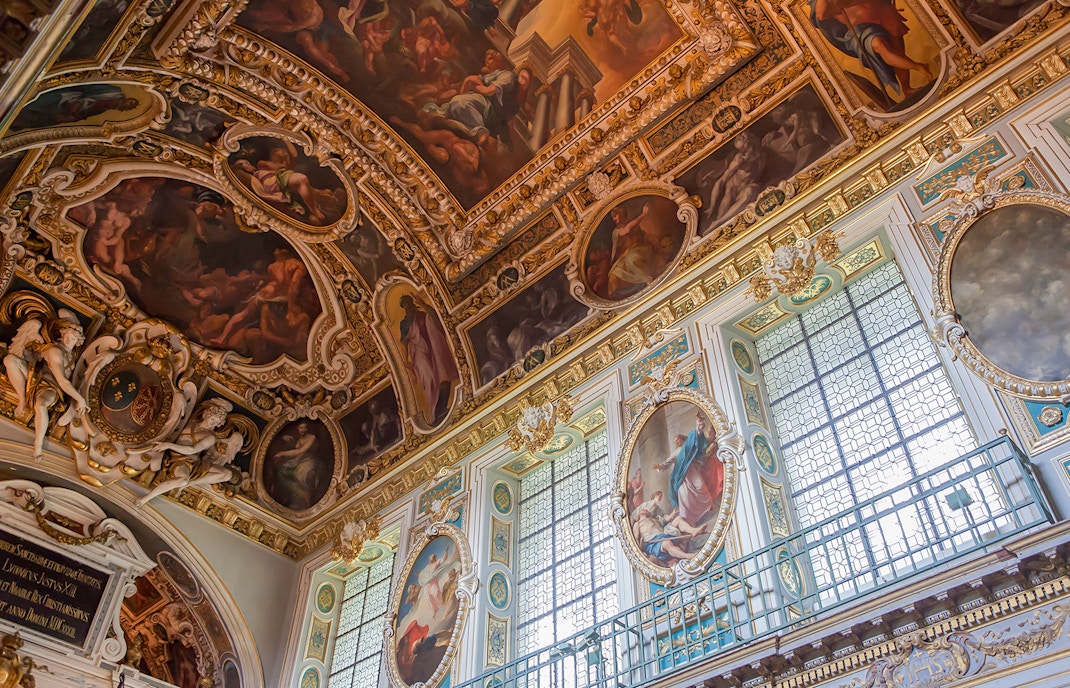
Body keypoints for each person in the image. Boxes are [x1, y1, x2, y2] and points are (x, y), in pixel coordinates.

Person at [3, 312, 88, 461]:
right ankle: (38, 441)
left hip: (52, 389)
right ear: (62, 335)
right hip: (43, 383)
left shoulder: (72, 356)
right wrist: (80, 399)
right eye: (68, 336)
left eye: (73, 338)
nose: (69, 340)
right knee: (10, 360)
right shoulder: (56, 352)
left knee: (41, 403)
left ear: (78, 341)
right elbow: (62, 381)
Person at [810, 0, 933, 102]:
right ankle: (918, 67)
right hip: (867, 21)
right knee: (885, 48)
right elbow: (821, 15)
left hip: (880, 12)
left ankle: (909, 84)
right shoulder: (821, 4)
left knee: (896, 49)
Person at [133, 400, 243, 507]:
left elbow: (192, 449)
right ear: (207, 414)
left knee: (226, 474)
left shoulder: (210, 437)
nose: (212, 423)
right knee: (182, 479)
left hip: (189, 461)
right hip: (175, 456)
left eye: (216, 422)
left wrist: (168, 445)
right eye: (212, 418)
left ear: (219, 424)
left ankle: (150, 496)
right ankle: (151, 496)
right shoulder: (191, 422)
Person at [421, 49, 531, 144]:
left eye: (491, 58)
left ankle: (480, 131)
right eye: (487, 59)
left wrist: (473, 84)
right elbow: (465, 89)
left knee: (461, 102)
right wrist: (468, 82)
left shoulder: (507, 76)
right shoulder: (488, 76)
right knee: (455, 102)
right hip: (480, 102)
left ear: (500, 60)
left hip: (492, 110)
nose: (487, 62)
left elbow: (488, 92)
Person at [232, 139, 328, 223]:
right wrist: (245, 165)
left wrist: (286, 140)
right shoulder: (264, 164)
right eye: (282, 152)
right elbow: (242, 165)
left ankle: (314, 210)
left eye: (285, 154)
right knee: (301, 179)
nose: (284, 154)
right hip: (272, 182)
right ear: (274, 152)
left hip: (278, 182)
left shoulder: (283, 167)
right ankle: (314, 210)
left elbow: (293, 155)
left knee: (302, 180)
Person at [398, 295, 459, 423]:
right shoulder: (405, 323)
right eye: (405, 305)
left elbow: (436, 318)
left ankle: (441, 409)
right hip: (419, 354)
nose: (407, 306)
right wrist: (406, 362)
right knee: (429, 379)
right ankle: (434, 412)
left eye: (408, 303)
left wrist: (423, 304)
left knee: (443, 377)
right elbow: (404, 343)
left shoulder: (422, 314)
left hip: (433, 347)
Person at [654, 416, 723, 528]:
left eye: (678, 440)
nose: (676, 442)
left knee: (701, 487)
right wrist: (660, 466)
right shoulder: (676, 452)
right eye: (675, 442)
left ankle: (709, 506)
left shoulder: (688, 446)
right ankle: (689, 519)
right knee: (684, 496)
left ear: (682, 439)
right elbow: (668, 462)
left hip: (692, 471)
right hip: (681, 478)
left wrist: (699, 422)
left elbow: (697, 434)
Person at [605, 203, 655, 299]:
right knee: (614, 274)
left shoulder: (633, 224)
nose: (615, 219)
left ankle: (648, 280)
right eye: (613, 218)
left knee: (632, 259)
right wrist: (643, 214)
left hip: (640, 249)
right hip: (625, 254)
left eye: (615, 216)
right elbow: (627, 230)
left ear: (621, 213)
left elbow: (636, 233)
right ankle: (616, 300)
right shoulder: (616, 231)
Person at [270, 421, 322, 509]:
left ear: (308, 428)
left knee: (302, 472)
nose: (303, 430)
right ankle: (297, 493)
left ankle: (305, 494)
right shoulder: (299, 440)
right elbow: (295, 449)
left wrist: (282, 453)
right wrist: (284, 438)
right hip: (299, 460)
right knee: (280, 470)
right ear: (298, 429)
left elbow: (300, 451)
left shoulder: (311, 437)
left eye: (305, 427)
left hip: (310, 460)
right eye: (301, 428)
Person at [632, 506, 697, 564]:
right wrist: (640, 552)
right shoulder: (638, 524)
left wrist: (672, 514)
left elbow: (666, 522)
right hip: (653, 543)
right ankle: (687, 556)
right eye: (643, 509)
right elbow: (636, 539)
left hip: (665, 535)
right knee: (667, 543)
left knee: (678, 519)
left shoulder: (655, 519)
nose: (645, 509)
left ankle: (693, 531)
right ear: (639, 513)